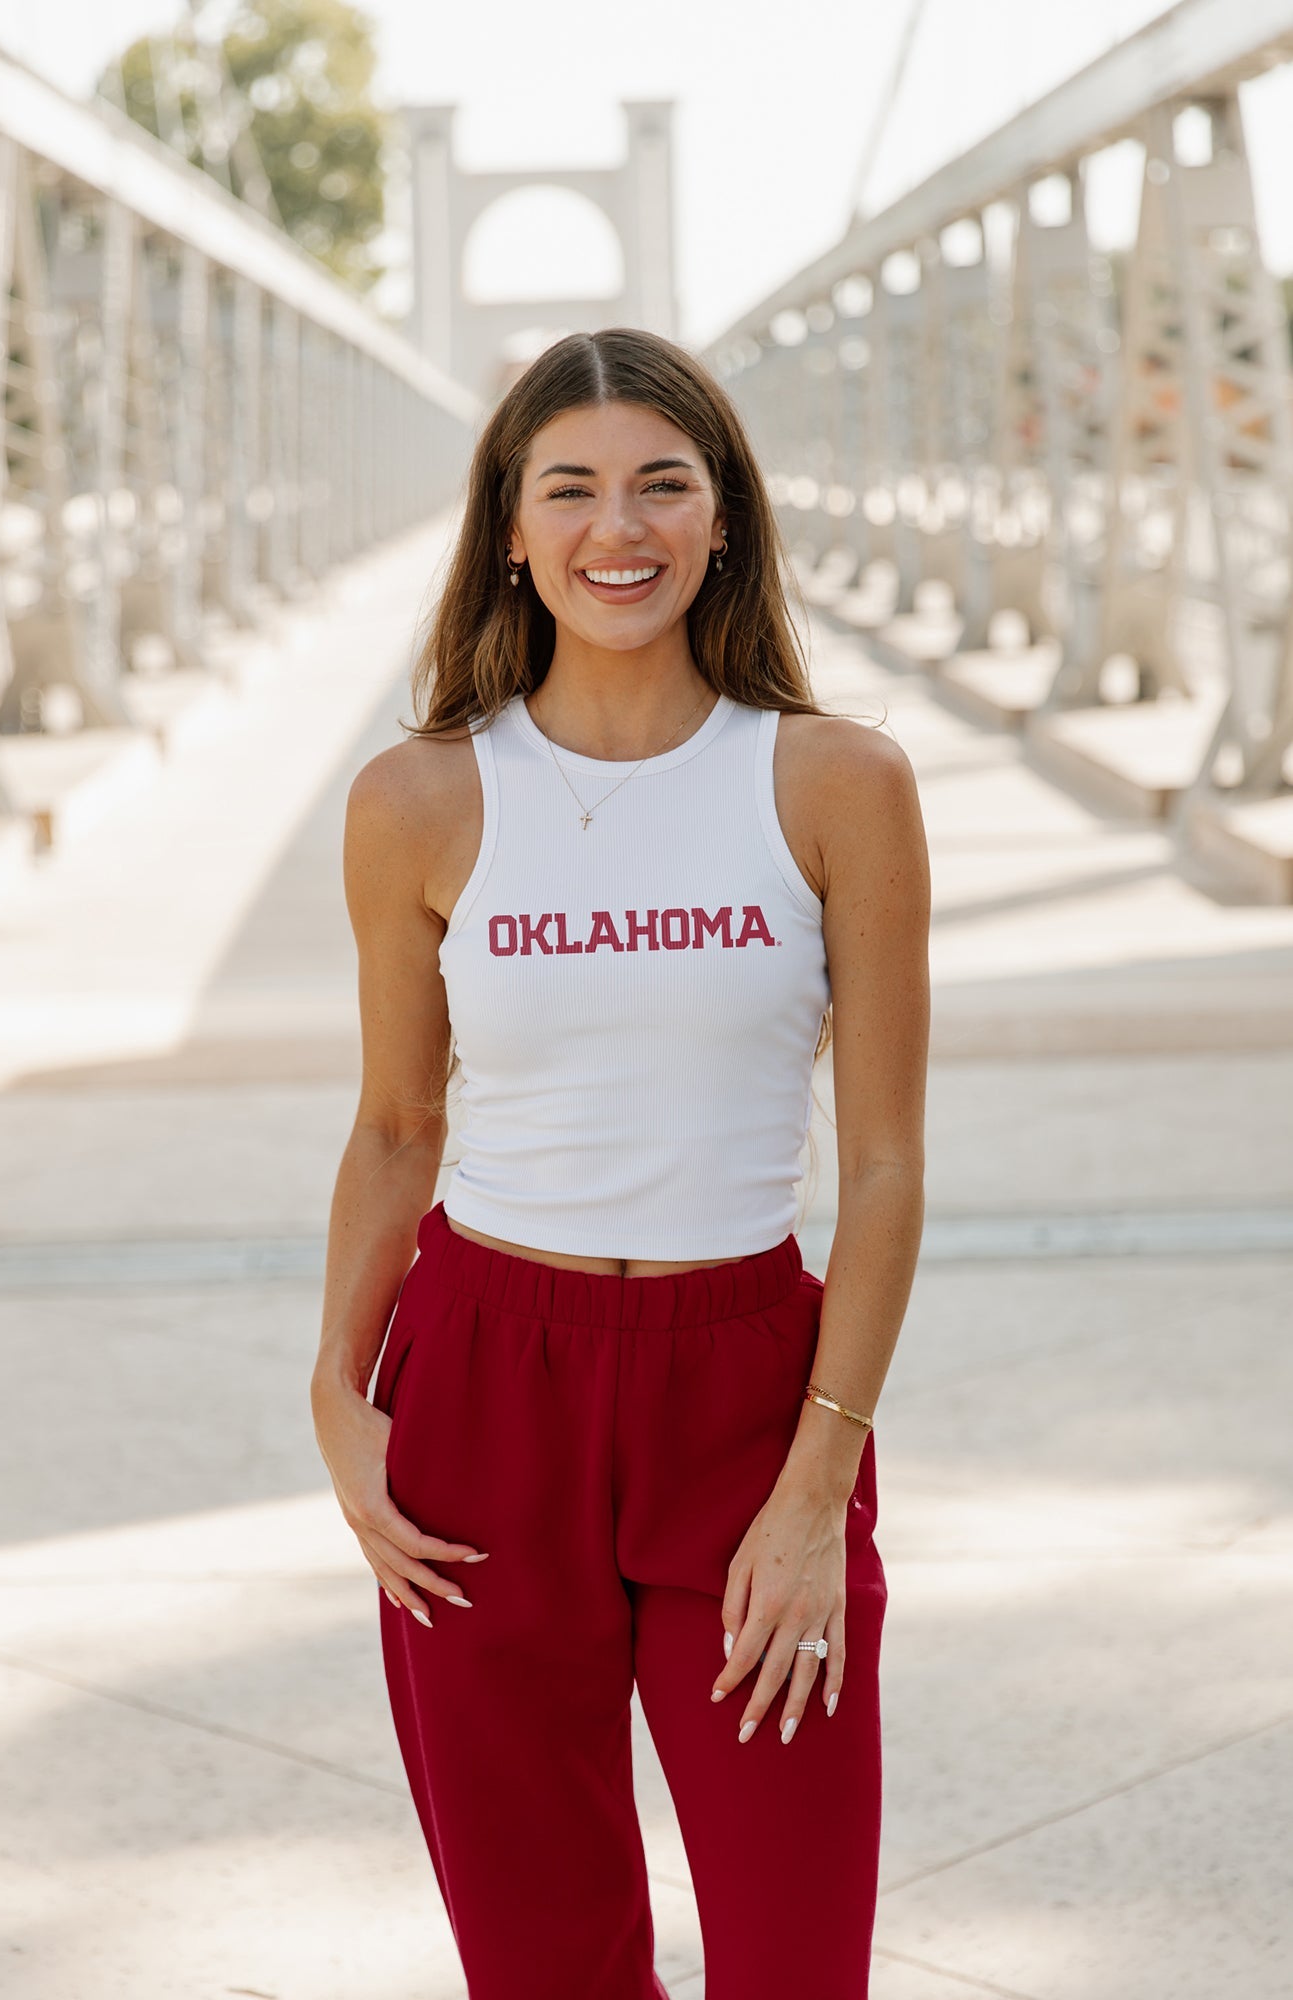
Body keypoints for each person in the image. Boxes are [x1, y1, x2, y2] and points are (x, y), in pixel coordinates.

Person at [310, 326, 930, 2000]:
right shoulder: (421, 800)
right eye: (568, 487)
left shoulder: (833, 783)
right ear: (508, 530)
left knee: (794, 1956)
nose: (618, 527)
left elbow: (878, 1166)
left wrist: (817, 1492)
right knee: (543, 1962)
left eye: (663, 482)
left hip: (744, 1391)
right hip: (481, 1391)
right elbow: (393, 1127)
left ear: (722, 516)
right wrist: (334, 1395)